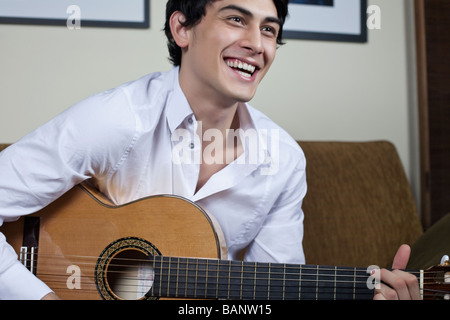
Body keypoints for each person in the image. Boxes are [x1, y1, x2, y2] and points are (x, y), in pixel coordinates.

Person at [0, 0, 420, 300]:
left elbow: (273, 293)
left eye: (269, 29)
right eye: (237, 19)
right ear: (182, 28)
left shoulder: (283, 161)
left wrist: (364, 294)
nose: (257, 44)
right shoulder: (117, 119)